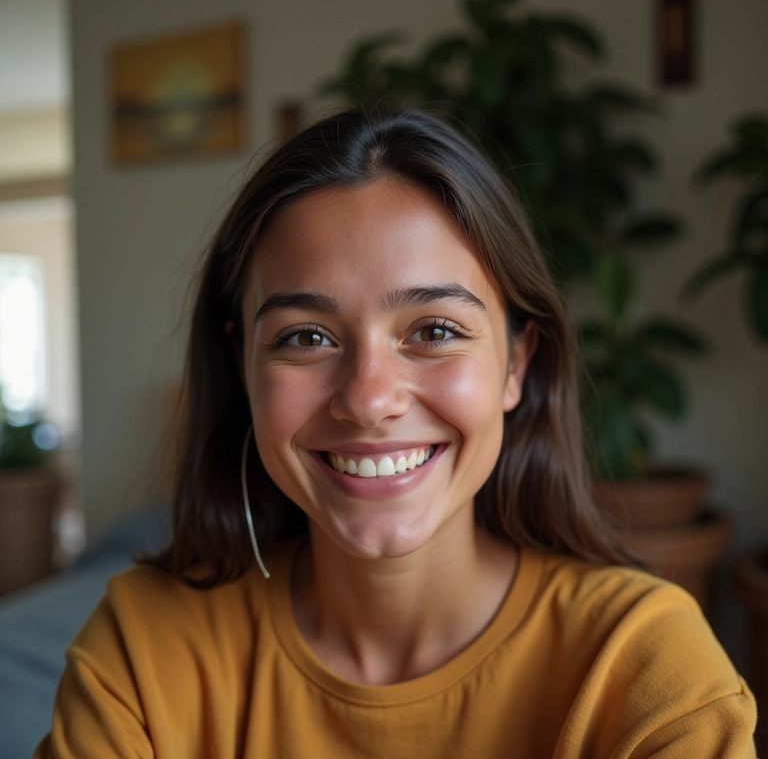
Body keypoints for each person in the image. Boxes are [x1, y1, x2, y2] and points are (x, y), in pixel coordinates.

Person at [35, 108, 756, 758]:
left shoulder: (644, 665)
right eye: (307, 336)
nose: (369, 398)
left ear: (517, 364)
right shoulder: (139, 649)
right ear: (242, 365)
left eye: (435, 331)